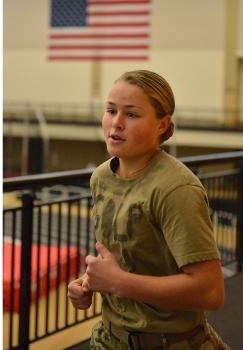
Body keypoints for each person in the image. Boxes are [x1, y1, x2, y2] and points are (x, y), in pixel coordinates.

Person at [67, 70, 227, 349]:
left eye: (131, 114)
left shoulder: (176, 189)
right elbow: (125, 260)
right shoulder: (101, 178)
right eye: (110, 110)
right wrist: (89, 282)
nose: (116, 123)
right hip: (109, 338)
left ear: (162, 125)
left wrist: (118, 282)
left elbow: (210, 291)